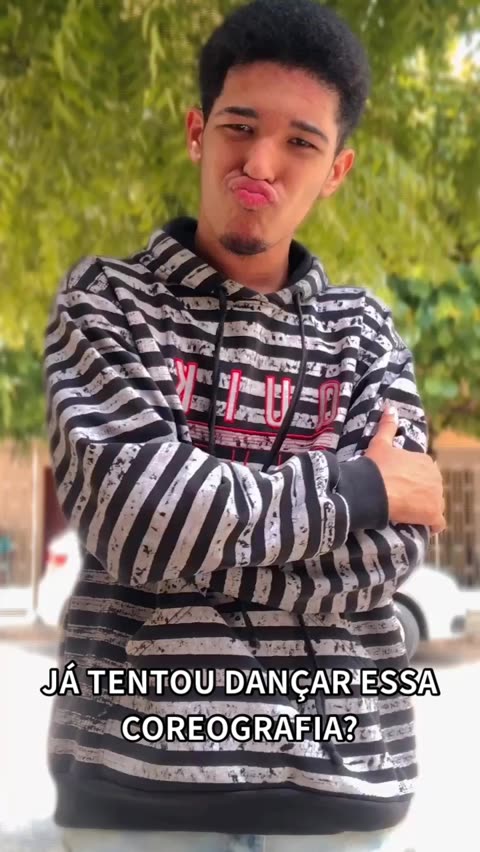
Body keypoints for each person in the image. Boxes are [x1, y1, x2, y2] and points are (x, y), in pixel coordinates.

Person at [43, 1, 445, 850]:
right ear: (198, 132)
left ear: (336, 169)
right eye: (239, 127)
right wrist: (360, 490)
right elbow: (134, 519)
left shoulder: (365, 332)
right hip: (133, 797)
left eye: (301, 141)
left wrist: (189, 541)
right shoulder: (105, 302)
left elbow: (392, 551)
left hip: (341, 795)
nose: (260, 163)